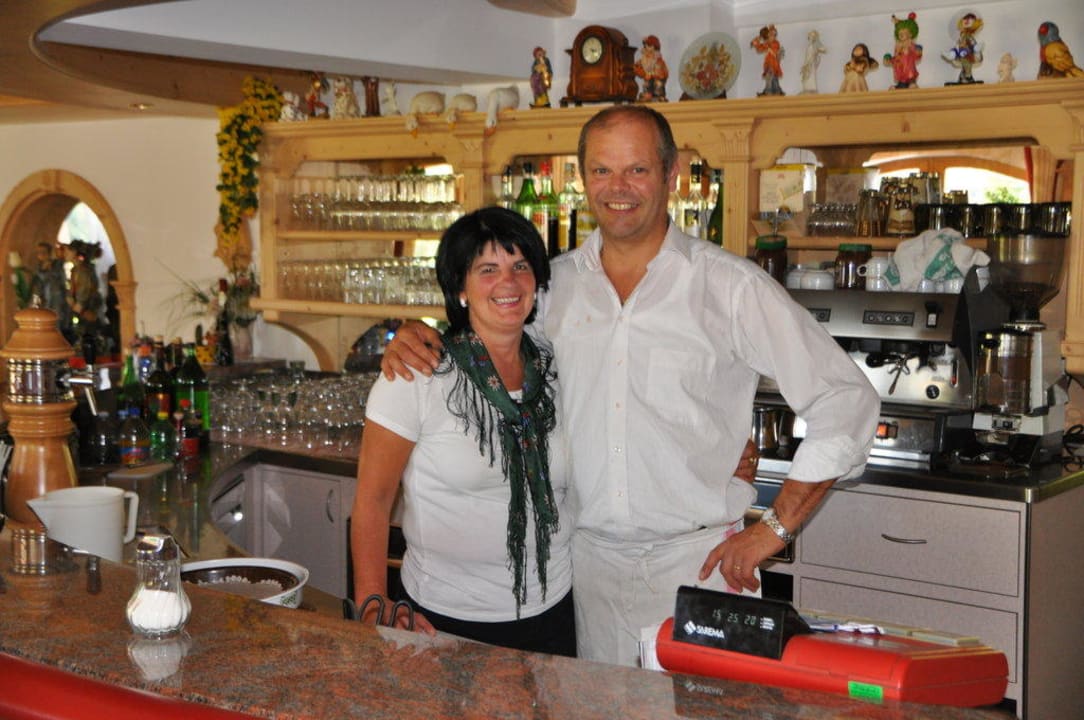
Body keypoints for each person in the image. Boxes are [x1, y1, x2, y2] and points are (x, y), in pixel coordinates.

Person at [384, 105, 879, 666]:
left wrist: (775, 527)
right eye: (601, 171)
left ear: (672, 176)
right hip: (584, 569)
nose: (618, 188)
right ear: (582, 179)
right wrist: (417, 334)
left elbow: (846, 399)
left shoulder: (729, 286)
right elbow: (487, 336)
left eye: (637, 170)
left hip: (700, 564)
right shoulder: (553, 288)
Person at [350, 206, 576, 656]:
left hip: (554, 614)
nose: (508, 283)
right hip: (443, 621)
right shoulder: (418, 375)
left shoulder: (557, 363)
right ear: (460, 287)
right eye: (487, 270)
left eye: (520, 266)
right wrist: (372, 607)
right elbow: (372, 503)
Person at [884, 12, 923, 89]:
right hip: (901, 76)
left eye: (904, 32)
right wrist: (889, 59)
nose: (901, 34)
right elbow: (896, 60)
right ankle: (900, 86)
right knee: (901, 87)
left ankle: (912, 84)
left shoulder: (912, 46)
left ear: (910, 34)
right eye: (900, 33)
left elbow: (917, 56)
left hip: (910, 74)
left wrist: (918, 52)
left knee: (912, 85)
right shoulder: (898, 48)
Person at [750, 24, 785, 96]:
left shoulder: (775, 43)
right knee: (771, 78)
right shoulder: (767, 43)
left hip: (774, 63)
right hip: (769, 63)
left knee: (772, 77)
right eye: (772, 34)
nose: (773, 36)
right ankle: (774, 91)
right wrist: (757, 41)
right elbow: (759, 49)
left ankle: (770, 91)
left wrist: (765, 45)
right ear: (768, 35)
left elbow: (775, 50)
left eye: (775, 35)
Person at [634, 35, 669, 102]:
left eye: (649, 46)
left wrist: (653, 75)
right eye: (646, 45)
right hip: (648, 77)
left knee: (658, 84)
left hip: (658, 77)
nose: (647, 47)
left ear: (654, 47)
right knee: (646, 84)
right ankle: (647, 94)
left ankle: (658, 96)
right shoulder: (643, 59)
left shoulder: (658, 59)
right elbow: (637, 67)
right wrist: (643, 74)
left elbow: (661, 71)